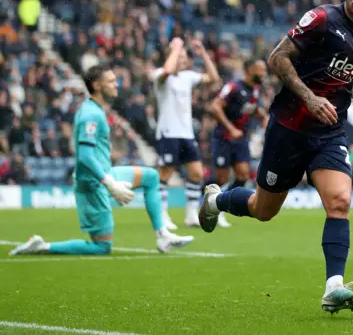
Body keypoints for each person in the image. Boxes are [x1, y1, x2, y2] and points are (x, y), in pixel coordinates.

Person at [198, 0, 353, 313]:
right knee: (263, 209)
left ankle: (334, 287)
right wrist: (310, 98)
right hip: (288, 129)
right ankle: (216, 201)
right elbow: (276, 58)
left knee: (340, 202)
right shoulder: (321, 19)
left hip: (329, 133)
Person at [10, 64, 194, 256]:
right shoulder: (90, 114)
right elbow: (85, 156)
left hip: (106, 174)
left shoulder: (95, 110)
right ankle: (42, 246)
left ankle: (163, 235)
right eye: (112, 81)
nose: (117, 84)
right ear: (97, 85)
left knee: (151, 177)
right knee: (102, 247)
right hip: (92, 183)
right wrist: (111, 184)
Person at [152, 37, 220, 229]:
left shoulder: (188, 77)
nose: (183, 59)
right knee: (165, 173)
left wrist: (204, 54)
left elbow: (214, 78)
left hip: (186, 134)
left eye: (183, 56)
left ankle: (190, 215)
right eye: (179, 56)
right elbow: (167, 70)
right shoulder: (159, 75)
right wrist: (176, 47)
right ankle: (162, 214)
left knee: (197, 173)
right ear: (170, 56)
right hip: (168, 132)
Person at [209, 58, 269, 228]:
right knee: (221, 177)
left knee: (243, 175)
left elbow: (253, 106)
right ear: (250, 70)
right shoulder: (233, 87)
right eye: (261, 70)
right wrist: (230, 128)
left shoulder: (256, 89)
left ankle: (220, 206)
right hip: (223, 138)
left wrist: (263, 117)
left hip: (241, 139)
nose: (264, 74)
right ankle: (206, 203)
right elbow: (215, 106)